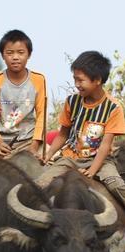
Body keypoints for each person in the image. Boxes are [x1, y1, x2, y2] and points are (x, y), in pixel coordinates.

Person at [40, 51, 125, 205]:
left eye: (80, 80)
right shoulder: (71, 101)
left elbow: (106, 145)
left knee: (116, 184)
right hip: (71, 158)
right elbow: (62, 135)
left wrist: (92, 170)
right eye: (75, 79)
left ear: (97, 80)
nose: (77, 84)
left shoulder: (113, 108)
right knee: (41, 183)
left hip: (101, 160)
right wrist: (49, 154)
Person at [0, 29, 47, 162]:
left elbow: (42, 116)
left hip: (29, 140)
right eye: (10, 53)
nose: (15, 57)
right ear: (3, 55)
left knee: (55, 164)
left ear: (29, 54)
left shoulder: (39, 79)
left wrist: (35, 145)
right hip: (2, 142)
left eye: (20, 52)